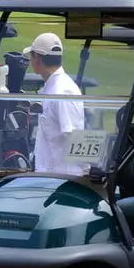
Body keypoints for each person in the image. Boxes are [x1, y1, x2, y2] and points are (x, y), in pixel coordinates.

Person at [24, 32, 85, 175]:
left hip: (63, 177)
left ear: (37, 58)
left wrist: (85, 170)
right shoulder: (52, 86)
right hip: (50, 175)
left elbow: (72, 136)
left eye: (31, 56)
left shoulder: (63, 90)